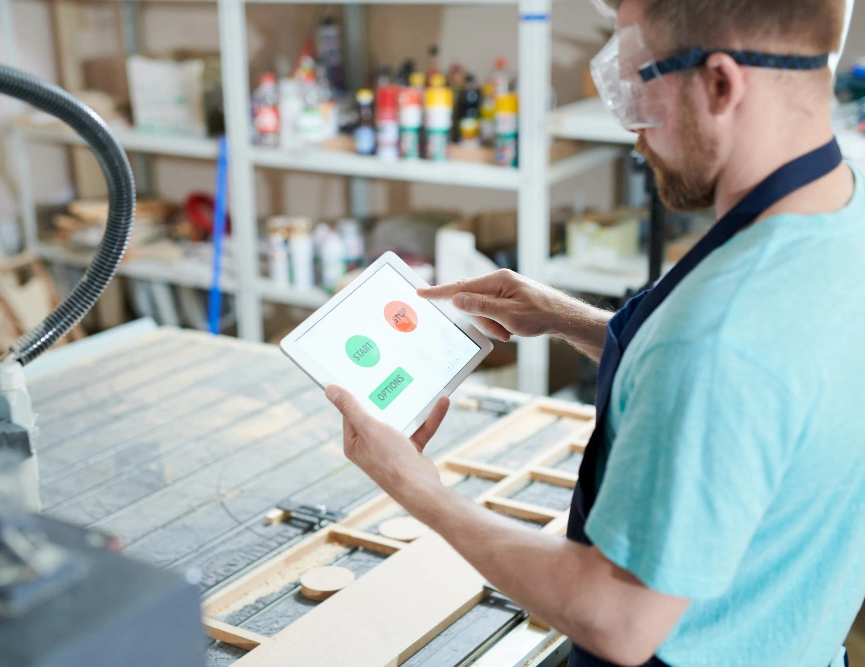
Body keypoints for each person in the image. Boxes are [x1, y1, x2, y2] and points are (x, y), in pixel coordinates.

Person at [325, 0, 865, 665]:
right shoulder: (844, 207)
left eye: (642, 89)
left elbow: (618, 618)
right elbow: (759, 393)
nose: (636, 133)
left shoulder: (717, 336)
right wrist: (564, 317)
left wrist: (419, 489)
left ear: (721, 84)